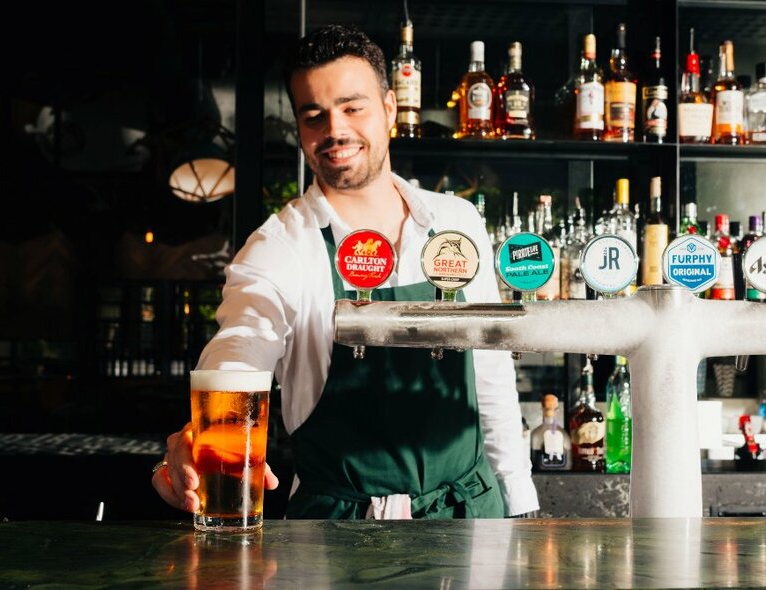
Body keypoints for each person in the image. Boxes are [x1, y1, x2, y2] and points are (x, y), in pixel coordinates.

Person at [152, 24, 539, 519]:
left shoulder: (454, 222)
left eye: (353, 107)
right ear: (299, 128)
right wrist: (211, 422)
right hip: (339, 531)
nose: (335, 130)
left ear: (390, 109)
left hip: (469, 513)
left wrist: (521, 503)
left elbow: (490, 375)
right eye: (314, 116)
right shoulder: (280, 247)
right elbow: (243, 338)